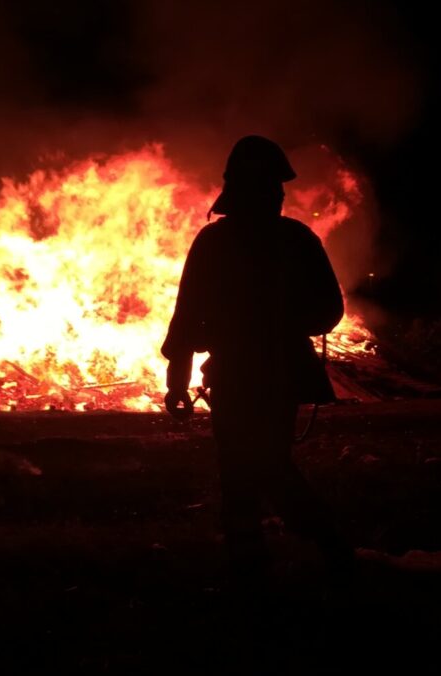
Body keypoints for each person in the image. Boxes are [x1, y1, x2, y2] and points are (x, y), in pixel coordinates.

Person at [162, 135, 353, 591]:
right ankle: (258, 562)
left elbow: (188, 320)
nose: (279, 196)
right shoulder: (291, 239)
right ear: (257, 189)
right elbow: (327, 311)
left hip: (250, 376)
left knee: (256, 466)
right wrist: (178, 380)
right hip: (267, 375)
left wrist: (179, 381)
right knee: (250, 467)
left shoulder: (219, 242)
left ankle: (315, 546)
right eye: (272, 187)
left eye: (278, 188)